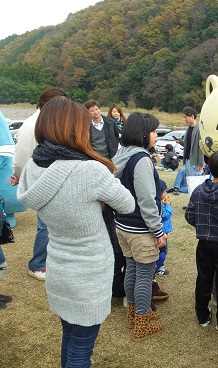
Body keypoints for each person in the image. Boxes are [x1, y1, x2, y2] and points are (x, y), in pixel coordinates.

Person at [17, 97, 135, 367]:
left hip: (59, 265)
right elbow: (127, 204)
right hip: (89, 274)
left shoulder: (34, 168)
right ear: (76, 129)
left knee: (70, 339)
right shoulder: (90, 170)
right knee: (81, 351)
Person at [112, 112, 167, 342]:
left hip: (123, 225)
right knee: (144, 274)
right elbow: (146, 200)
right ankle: (142, 322)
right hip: (140, 229)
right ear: (144, 134)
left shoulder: (121, 154)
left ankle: (134, 314)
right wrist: (158, 230)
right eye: (154, 131)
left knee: (133, 270)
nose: (156, 135)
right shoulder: (142, 159)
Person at [9, 87, 67, 281]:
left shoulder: (50, 121)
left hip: (54, 176)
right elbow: (21, 155)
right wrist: (18, 175)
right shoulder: (33, 123)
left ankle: (48, 261)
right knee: (45, 224)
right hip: (42, 177)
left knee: (52, 223)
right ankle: (38, 264)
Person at [185, 150, 218, 331]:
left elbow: (189, 215)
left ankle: (202, 315)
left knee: (204, 278)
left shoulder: (198, 190)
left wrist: (203, 226)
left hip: (204, 243)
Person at [84, 100, 126, 299]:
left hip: (110, 160)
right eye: (91, 110)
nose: (95, 112)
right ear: (88, 113)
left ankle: (108, 207)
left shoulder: (109, 123)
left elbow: (115, 142)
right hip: (94, 161)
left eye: (96, 108)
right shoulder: (86, 126)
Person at [170, 106, 204, 195]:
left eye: (186, 117)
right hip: (188, 160)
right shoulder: (189, 129)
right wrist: (180, 142)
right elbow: (188, 145)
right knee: (190, 184)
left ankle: (196, 205)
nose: (184, 119)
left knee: (196, 184)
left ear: (192, 116)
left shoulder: (199, 129)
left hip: (195, 162)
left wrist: (201, 162)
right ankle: (191, 204)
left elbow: (201, 147)